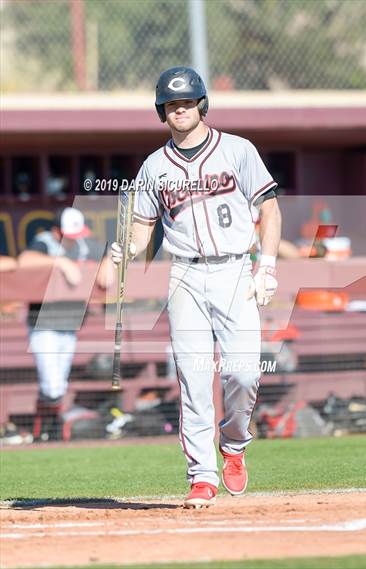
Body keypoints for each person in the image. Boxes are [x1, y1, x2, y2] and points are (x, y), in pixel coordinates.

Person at [112, 67, 281, 508]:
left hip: (234, 270)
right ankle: (202, 477)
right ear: (161, 112)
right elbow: (143, 229)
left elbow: (271, 210)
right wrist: (126, 249)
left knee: (244, 373)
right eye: (171, 105)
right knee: (193, 377)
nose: (179, 109)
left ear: (201, 103)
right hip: (185, 273)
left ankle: (235, 443)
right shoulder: (153, 166)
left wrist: (268, 266)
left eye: (186, 102)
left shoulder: (238, 150)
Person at [18, 207, 113, 441]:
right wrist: (60, 262)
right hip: (43, 324)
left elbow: (107, 250)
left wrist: (108, 262)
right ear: (57, 231)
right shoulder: (45, 241)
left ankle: (46, 432)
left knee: (59, 384)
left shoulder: (83, 242)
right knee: (52, 386)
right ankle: (44, 429)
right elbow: (24, 259)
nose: (75, 239)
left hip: (70, 323)